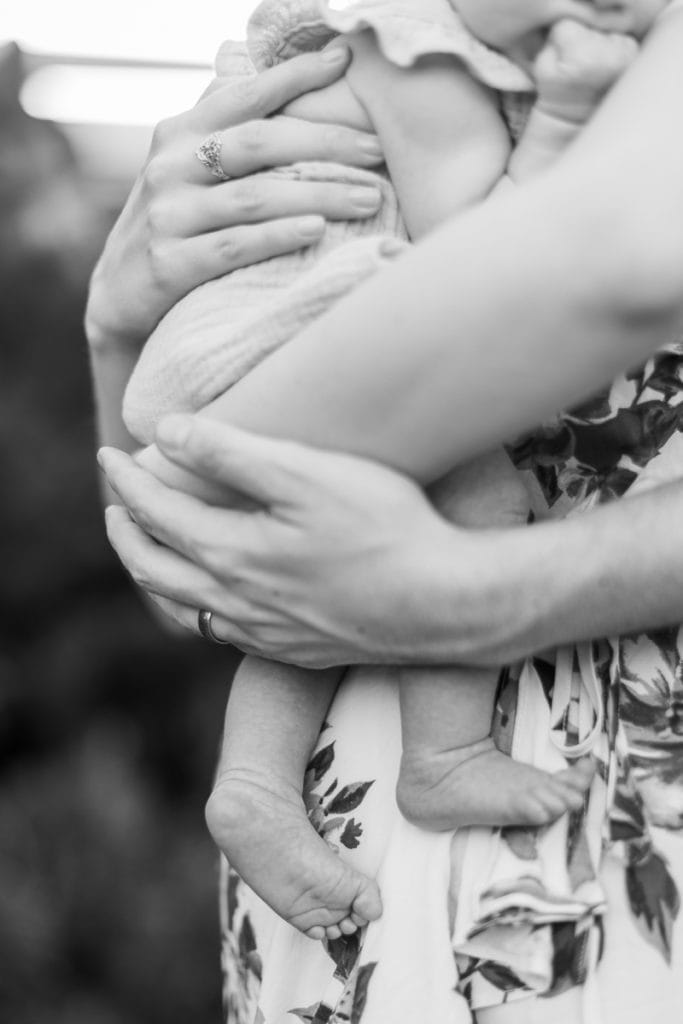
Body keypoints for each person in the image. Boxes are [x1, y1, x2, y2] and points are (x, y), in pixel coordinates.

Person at [92, 2, 683, 1020]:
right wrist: (112, 316)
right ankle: (423, 757)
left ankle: (264, 780)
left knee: (396, 500)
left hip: (532, 826)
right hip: (389, 845)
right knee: (469, 494)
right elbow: (190, 572)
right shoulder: (418, 52)